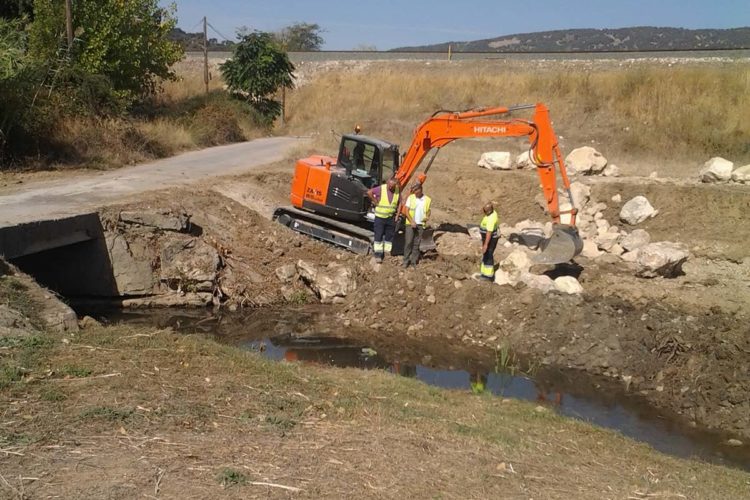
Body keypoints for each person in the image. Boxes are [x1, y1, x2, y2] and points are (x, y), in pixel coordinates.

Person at [367, 177, 400, 263]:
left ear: (395, 185)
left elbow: (400, 202)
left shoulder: (397, 190)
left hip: (390, 217)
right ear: (388, 183)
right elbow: (369, 192)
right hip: (380, 217)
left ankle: (387, 253)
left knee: (389, 237)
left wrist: (397, 215)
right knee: (379, 235)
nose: (390, 187)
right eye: (389, 185)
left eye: (392, 186)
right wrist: (375, 202)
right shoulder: (381, 188)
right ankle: (378, 255)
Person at [402, 182, 431, 268]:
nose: (414, 193)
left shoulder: (427, 199)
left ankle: (413, 262)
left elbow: (428, 211)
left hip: (421, 224)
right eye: (413, 191)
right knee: (408, 242)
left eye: (416, 191)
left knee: (416, 244)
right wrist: (411, 221)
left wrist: (428, 216)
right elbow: (406, 211)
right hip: (410, 224)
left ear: (420, 190)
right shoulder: (411, 198)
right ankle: (405, 261)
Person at [478, 201, 499, 280]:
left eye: (484, 211)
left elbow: (489, 233)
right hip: (487, 238)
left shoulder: (491, 219)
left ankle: (488, 276)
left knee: (488, 254)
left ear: (488, 211)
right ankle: (483, 273)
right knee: (485, 254)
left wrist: (485, 245)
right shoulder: (492, 213)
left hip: (490, 239)